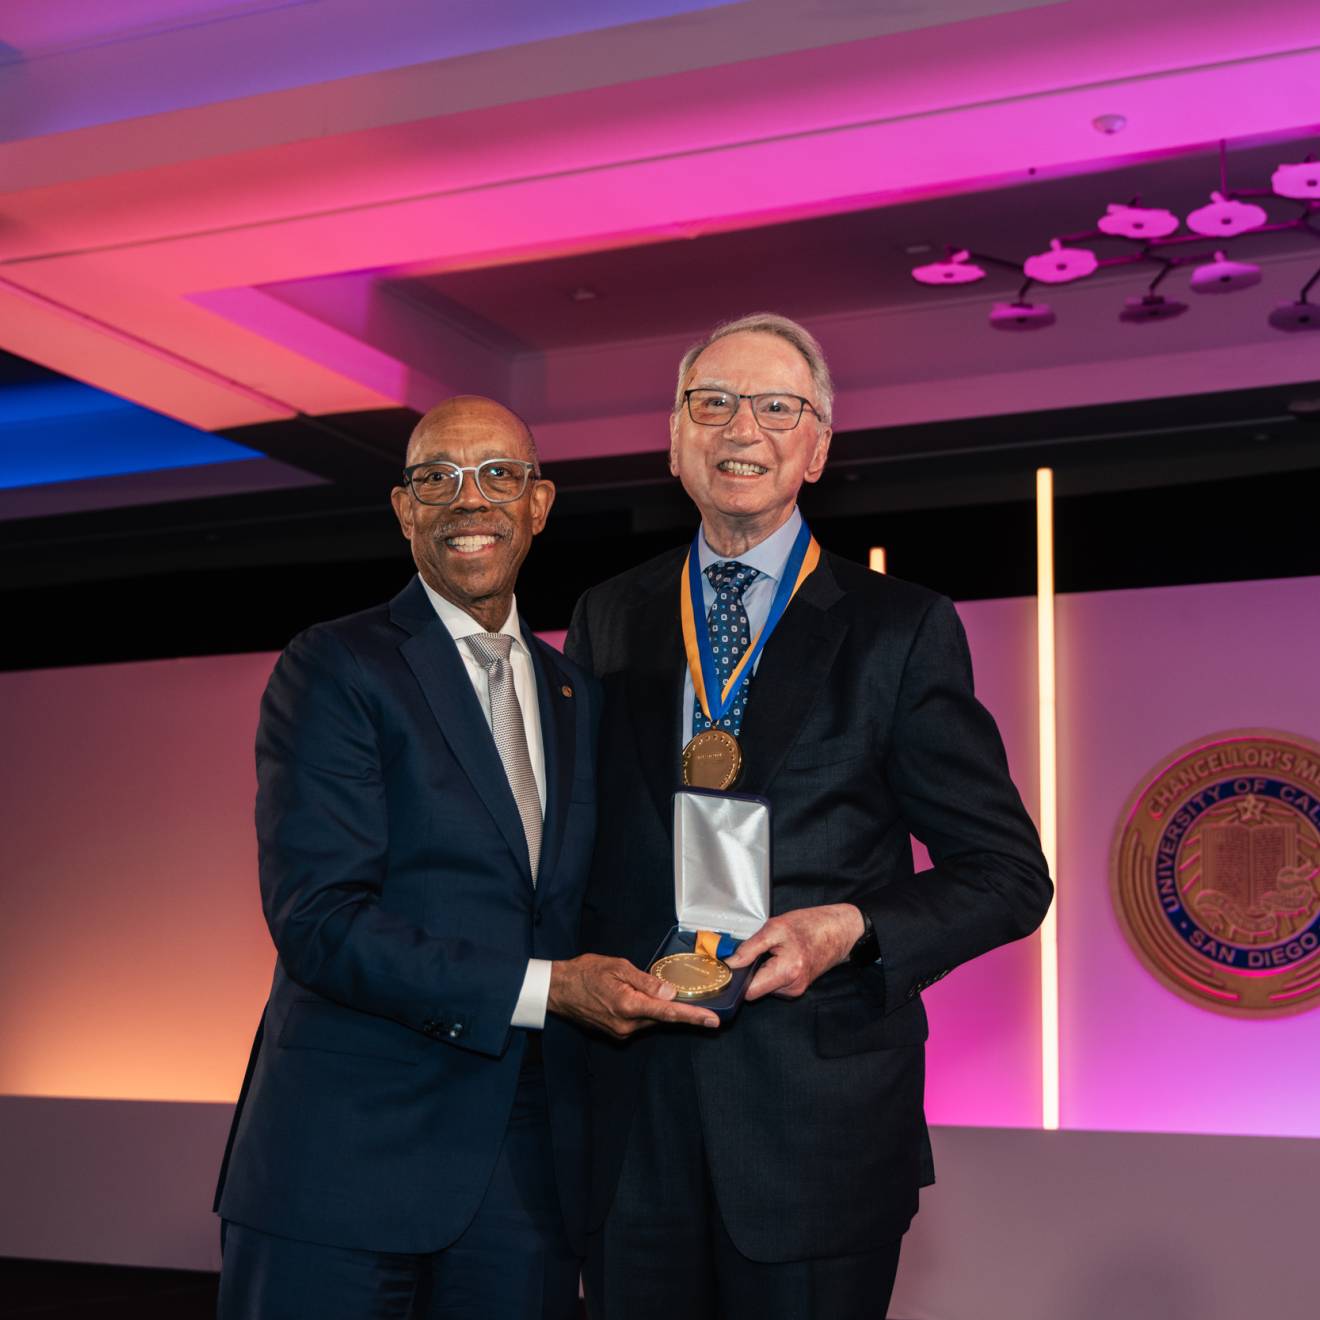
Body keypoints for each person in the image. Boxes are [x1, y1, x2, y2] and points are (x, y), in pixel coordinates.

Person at [565, 315, 1053, 1319]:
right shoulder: (608, 614)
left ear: (818, 448)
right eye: (714, 403)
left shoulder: (900, 628)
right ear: (674, 437)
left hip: (815, 1133)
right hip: (632, 1121)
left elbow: (1007, 875)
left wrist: (853, 929)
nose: (743, 426)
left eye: (778, 407)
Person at [214, 396, 713, 1320]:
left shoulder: (576, 694)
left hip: (526, 1175)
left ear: (540, 503)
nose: (468, 501)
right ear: (405, 511)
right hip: (345, 1162)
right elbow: (320, 922)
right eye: (437, 478)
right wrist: (549, 989)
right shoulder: (335, 667)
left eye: (498, 476)